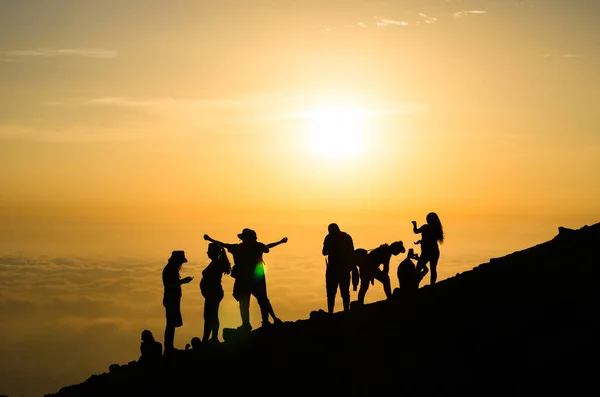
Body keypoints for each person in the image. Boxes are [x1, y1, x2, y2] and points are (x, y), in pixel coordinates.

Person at [204, 229, 288, 331]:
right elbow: (267, 248)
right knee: (259, 300)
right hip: (255, 277)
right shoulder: (256, 246)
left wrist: (210, 239)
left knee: (248, 301)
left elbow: (224, 245)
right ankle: (262, 321)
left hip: (244, 279)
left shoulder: (238, 248)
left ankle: (249, 324)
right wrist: (280, 242)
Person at [162, 250, 193, 354]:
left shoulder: (171, 268)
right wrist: (183, 281)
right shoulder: (170, 269)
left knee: (171, 324)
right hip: (171, 299)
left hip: (172, 299)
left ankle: (169, 347)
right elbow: (170, 285)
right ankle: (168, 348)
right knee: (170, 325)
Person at [200, 243, 231, 343]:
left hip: (214, 292)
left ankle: (210, 338)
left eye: (209, 250)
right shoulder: (215, 262)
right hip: (212, 293)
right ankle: (210, 337)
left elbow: (212, 279)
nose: (207, 252)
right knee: (210, 315)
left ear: (215, 252)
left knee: (210, 316)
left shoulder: (217, 263)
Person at [322, 223, 355, 313]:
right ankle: (346, 311)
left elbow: (324, 252)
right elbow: (352, 253)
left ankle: (331, 312)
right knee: (344, 293)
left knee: (331, 294)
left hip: (333, 270)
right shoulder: (347, 237)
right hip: (344, 269)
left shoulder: (328, 238)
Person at [412, 212, 444, 285]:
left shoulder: (425, 227)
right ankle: (432, 285)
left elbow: (416, 231)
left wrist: (414, 225)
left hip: (426, 252)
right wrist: (421, 241)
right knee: (433, 269)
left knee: (418, 269)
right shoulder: (437, 229)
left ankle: (414, 285)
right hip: (434, 251)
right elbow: (431, 240)